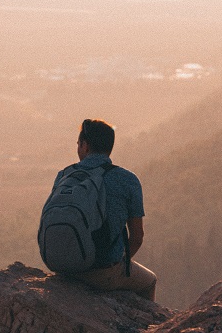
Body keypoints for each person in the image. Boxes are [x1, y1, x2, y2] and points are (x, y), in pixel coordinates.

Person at [47, 119, 157, 301]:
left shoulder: (64, 175)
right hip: (103, 274)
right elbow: (137, 238)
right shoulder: (127, 179)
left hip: (63, 268)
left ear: (84, 145)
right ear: (109, 147)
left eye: (78, 144)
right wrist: (113, 263)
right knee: (150, 281)